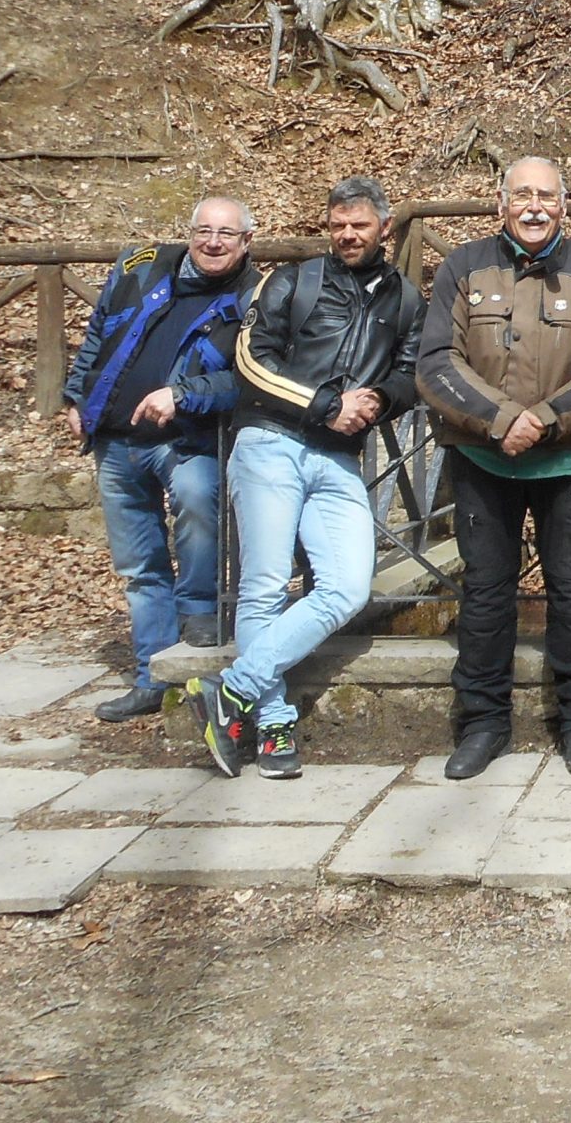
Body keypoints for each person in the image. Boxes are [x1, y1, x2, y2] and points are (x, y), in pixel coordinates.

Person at [190, 177, 422, 779]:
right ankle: (270, 726)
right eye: (338, 224)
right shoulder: (292, 281)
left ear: (384, 229)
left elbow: (410, 369)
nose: (347, 234)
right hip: (271, 443)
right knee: (264, 587)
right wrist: (326, 405)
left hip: (337, 458)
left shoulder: (406, 299)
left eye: (359, 225)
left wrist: (380, 400)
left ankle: (231, 689)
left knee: (347, 587)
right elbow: (250, 361)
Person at [416, 156, 571, 783]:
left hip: (568, 459)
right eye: (522, 195)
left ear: (565, 204)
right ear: (500, 202)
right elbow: (434, 363)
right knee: (484, 594)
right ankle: (482, 724)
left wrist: (548, 420)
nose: (534, 206)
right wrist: (504, 418)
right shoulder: (462, 266)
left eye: (547, 196)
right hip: (483, 457)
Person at [61, 196, 255, 722]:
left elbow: (249, 377)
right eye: (204, 230)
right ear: (189, 232)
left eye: (226, 234)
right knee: (140, 568)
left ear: (246, 243)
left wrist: (184, 393)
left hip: (189, 442)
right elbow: (98, 332)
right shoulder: (141, 267)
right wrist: (77, 396)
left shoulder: (256, 297)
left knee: (197, 510)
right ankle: (150, 677)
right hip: (117, 440)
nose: (213, 242)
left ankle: (199, 652)